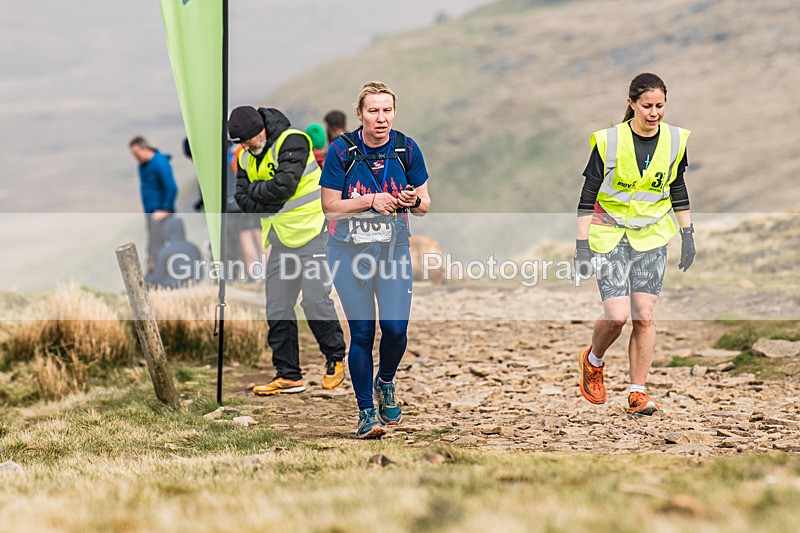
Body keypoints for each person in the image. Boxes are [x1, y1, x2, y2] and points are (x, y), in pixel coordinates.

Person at [574, 73, 695, 416]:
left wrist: (687, 235)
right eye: (647, 106)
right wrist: (582, 245)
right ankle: (593, 360)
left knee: (645, 315)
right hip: (609, 232)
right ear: (631, 103)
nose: (654, 113)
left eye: (659, 106)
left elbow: (678, 189)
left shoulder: (675, 140)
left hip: (652, 235)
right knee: (617, 316)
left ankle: (638, 392)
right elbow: (587, 196)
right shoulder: (608, 141)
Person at [320, 81, 430, 438]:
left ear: (394, 112)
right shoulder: (341, 151)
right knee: (363, 332)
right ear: (360, 114)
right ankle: (367, 412)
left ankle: (385, 382)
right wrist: (372, 200)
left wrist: (412, 200)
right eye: (373, 111)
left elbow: (425, 204)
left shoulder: (406, 148)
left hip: (393, 249)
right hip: (347, 252)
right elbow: (330, 207)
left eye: (386, 110)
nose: (380, 118)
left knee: (396, 328)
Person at [229, 105, 347, 394]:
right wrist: (267, 197)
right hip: (281, 239)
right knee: (277, 306)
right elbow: (242, 201)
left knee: (315, 301)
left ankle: (335, 358)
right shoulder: (244, 157)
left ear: (262, 129)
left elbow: (284, 186)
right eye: (241, 142)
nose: (246, 146)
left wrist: (264, 197)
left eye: (250, 139)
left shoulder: (293, 140)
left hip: (313, 232)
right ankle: (289, 375)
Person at [129, 136, 179, 274]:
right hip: (151, 214)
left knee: (157, 249)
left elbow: (171, 187)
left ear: (145, 148)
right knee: (153, 248)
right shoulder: (143, 165)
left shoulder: (160, 162)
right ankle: (155, 280)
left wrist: (166, 209)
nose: (136, 158)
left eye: (136, 154)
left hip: (161, 215)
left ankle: (158, 280)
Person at [144, 217, 202, 289]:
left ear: (167, 231)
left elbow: (157, 277)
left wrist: (146, 278)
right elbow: (200, 273)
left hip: (171, 289)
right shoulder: (194, 248)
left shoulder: (164, 251)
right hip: (193, 288)